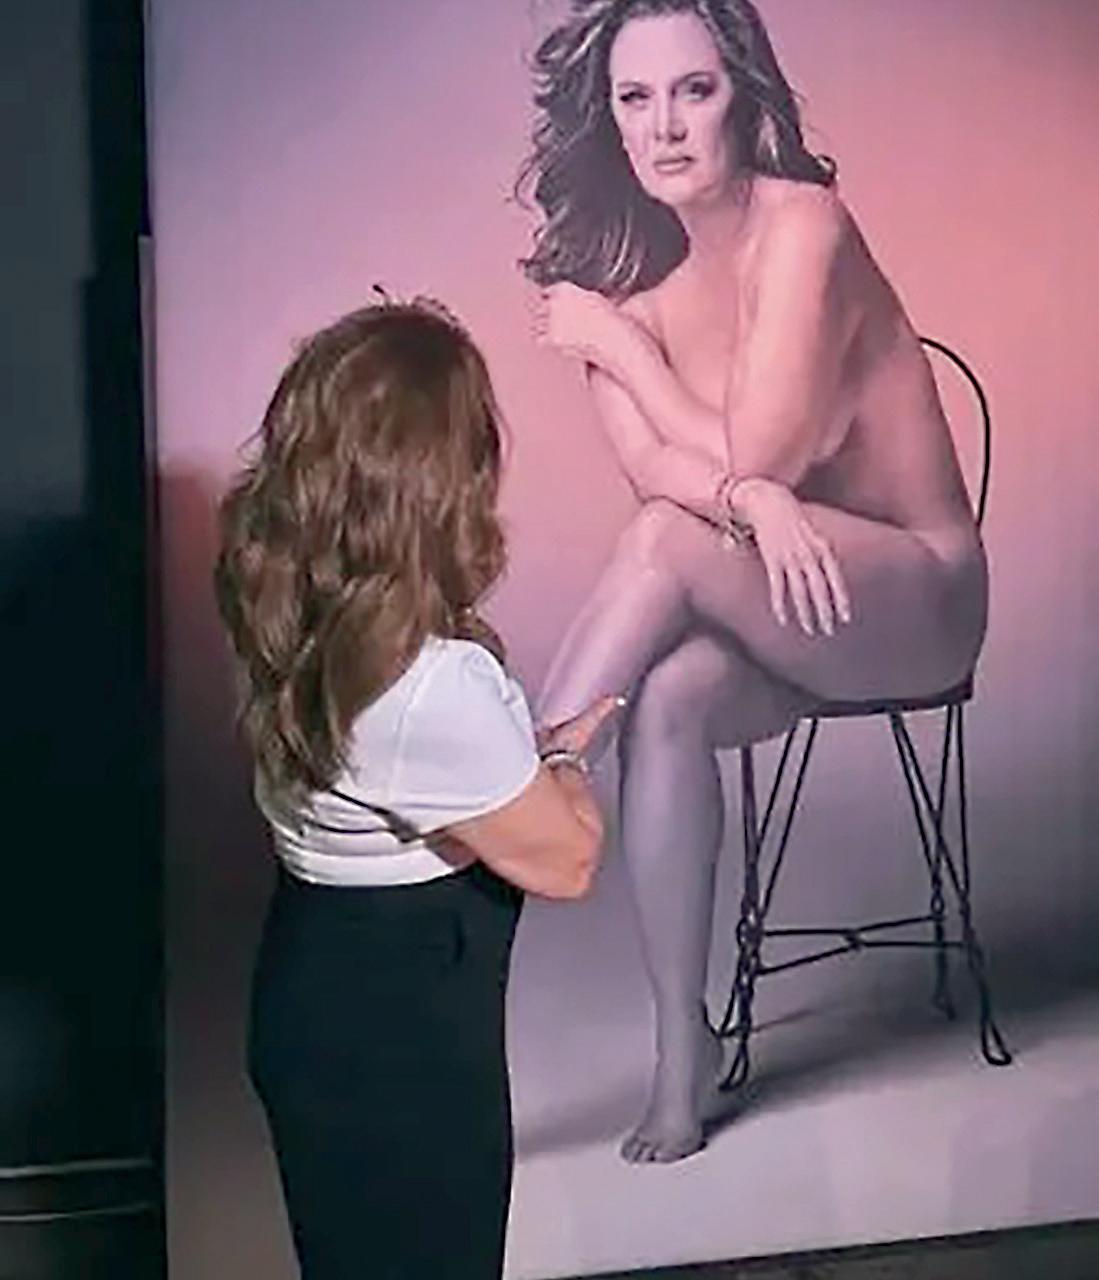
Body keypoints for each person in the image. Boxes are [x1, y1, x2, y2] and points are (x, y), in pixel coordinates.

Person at [517, 0, 987, 1164]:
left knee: (666, 542)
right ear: (606, 118)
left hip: (915, 596)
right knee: (669, 701)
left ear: (745, 96)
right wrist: (751, 498)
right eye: (635, 98)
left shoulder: (801, 227)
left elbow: (745, 456)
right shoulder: (625, 282)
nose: (665, 126)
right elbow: (669, 475)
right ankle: (682, 1044)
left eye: (695, 90)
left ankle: (528, 779)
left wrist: (628, 357)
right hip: (787, 609)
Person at [213, 298, 620, 1278]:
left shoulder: (275, 590)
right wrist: (564, 765)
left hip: (314, 994)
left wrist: (504, 764)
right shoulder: (432, 682)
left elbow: (395, 771)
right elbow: (567, 861)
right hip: (402, 1046)